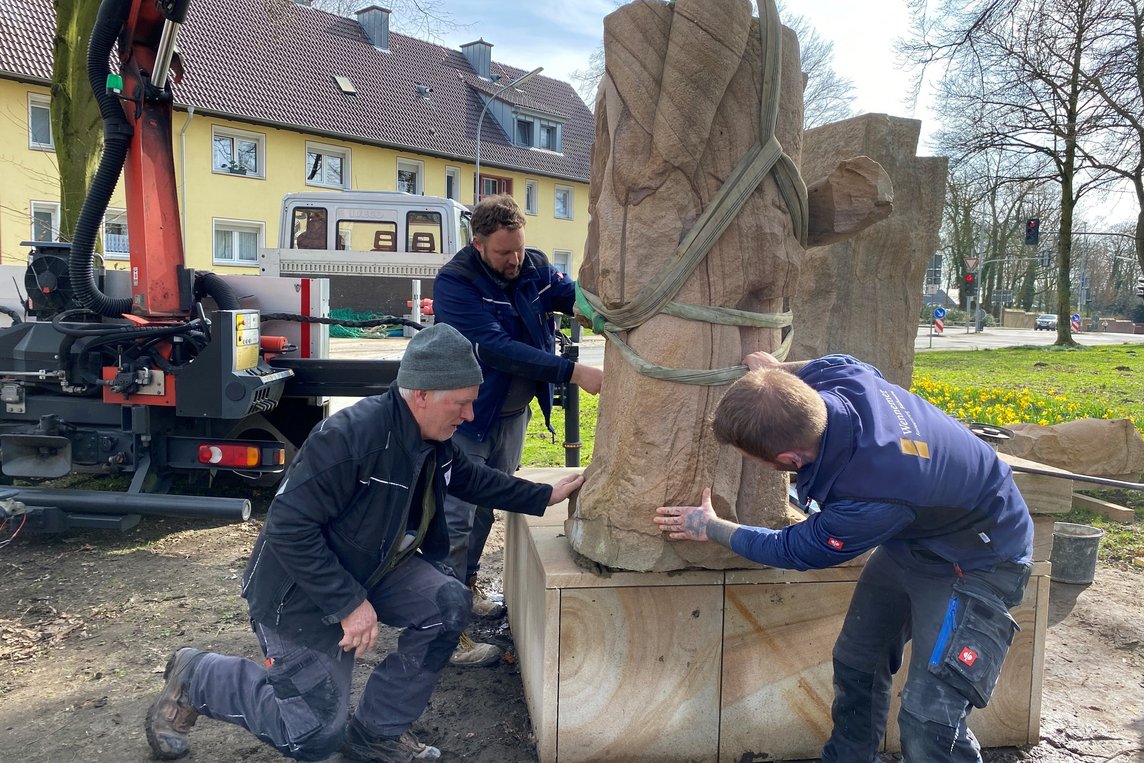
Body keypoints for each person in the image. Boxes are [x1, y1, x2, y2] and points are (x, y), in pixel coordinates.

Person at [144, 323, 584, 763]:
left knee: (447, 604)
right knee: (313, 737)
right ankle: (198, 676)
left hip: (372, 568)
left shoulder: (430, 437)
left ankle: (377, 733)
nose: (470, 416)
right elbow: (288, 529)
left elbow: (466, 477)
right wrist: (349, 604)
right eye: (463, 403)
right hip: (300, 594)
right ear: (421, 395)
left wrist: (544, 495)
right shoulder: (349, 438)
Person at [653, 352, 1033, 763]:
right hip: (912, 540)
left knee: (929, 721)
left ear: (789, 461)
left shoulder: (872, 493)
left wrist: (710, 527)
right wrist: (776, 374)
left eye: (750, 459)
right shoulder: (842, 379)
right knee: (857, 664)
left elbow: (791, 548)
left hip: (978, 562)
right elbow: (844, 360)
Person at [432, 194, 602, 666]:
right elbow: (495, 347)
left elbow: (568, 297)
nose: (515, 260)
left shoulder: (534, 267)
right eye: (504, 253)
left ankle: (464, 593)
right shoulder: (455, 283)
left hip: (510, 416)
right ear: (479, 243)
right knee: (455, 519)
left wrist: (597, 310)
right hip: (468, 417)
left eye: (520, 249)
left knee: (491, 504)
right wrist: (573, 373)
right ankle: (444, 634)